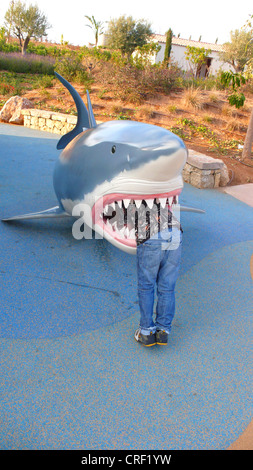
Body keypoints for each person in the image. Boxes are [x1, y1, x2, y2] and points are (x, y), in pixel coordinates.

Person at [127, 198, 183, 347]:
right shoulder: (158, 191)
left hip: (151, 233)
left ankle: (146, 331)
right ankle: (163, 330)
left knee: (146, 286)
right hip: (175, 232)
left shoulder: (128, 197)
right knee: (167, 286)